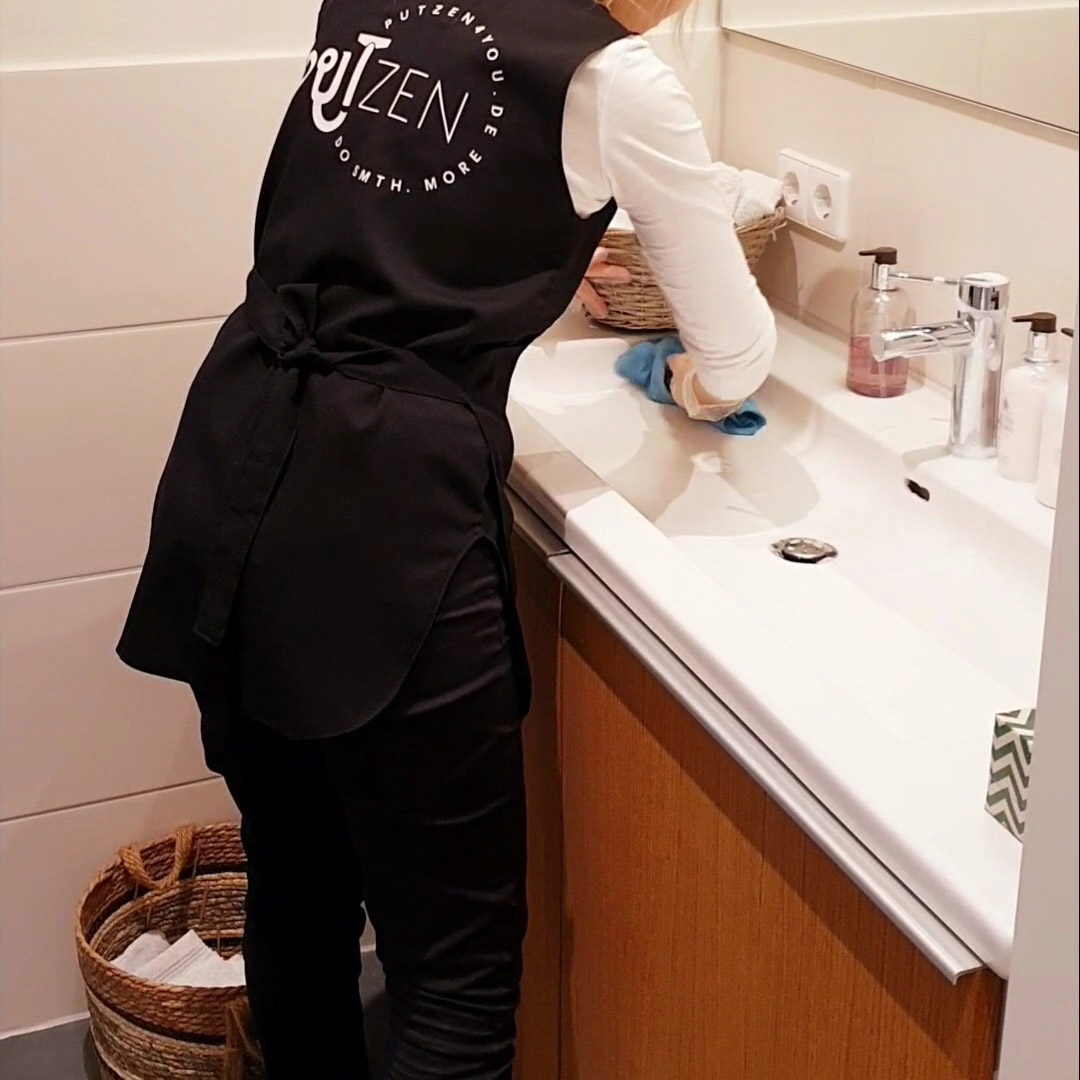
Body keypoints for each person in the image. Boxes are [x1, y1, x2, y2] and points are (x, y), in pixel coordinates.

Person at [117, 0, 776, 1076]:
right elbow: (739, 352)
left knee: (300, 879)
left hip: (235, 458)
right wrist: (702, 384)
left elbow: (393, 226)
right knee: (456, 981)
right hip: (378, 519)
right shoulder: (613, 81)